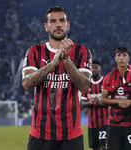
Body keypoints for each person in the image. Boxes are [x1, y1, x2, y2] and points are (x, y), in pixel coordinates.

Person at [22, 6, 92, 150]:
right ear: (46, 27)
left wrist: (66, 60)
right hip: (40, 133)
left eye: (62, 20)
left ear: (68, 25)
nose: (58, 24)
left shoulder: (82, 52)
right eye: (53, 21)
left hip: (71, 134)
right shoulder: (34, 51)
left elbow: (85, 87)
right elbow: (27, 84)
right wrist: (53, 63)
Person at [102, 47, 131, 150]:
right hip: (113, 125)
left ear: (128, 58)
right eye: (119, 55)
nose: (121, 58)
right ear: (115, 59)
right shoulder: (109, 77)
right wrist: (118, 101)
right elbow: (103, 100)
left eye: (124, 55)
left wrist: (129, 102)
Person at [81, 60, 109, 150]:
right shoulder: (87, 84)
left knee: (104, 147)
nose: (94, 70)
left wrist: (99, 102)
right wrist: (91, 103)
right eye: (92, 68)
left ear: (100, 69)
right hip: (91, 123)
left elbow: (111, 101)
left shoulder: (105, 81)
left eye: (96, 67)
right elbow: (82, 104)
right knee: (95, 147)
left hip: (104, 122)